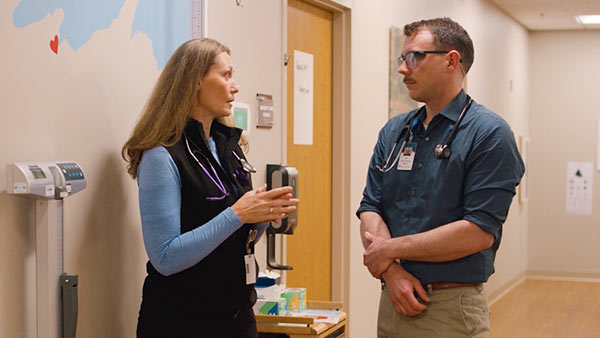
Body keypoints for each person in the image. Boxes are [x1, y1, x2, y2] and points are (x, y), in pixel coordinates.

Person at [357, 18, 524, 337]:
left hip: (449, 308)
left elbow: (478, 231)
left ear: (451, 60)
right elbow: (371, 206)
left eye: (414, 57)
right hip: (392, 299)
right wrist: (391, 272)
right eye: (401, 58)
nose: (403, 69)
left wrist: (390, 251)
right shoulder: (395, 132)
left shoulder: (488, 134)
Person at [122, 38, 299, 338]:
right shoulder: (161, 156)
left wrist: (263, 217)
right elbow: (165, 258)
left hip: (237, 317)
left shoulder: (229, 146)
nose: (235, 86)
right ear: (195, 83)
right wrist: (238, 214)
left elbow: (237, 237)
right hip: (181, 323)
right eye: (226, 75)